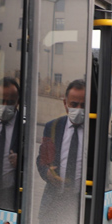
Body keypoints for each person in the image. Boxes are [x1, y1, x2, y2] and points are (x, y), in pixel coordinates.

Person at [37, 79, 86, 213]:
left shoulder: (95, 132)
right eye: (74, 104)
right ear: (65, 104)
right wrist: (47, 173)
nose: (78, 109)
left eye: (83, 105)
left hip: (80, 205)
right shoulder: (52, 127)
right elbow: (42, 159)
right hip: (51, 204)